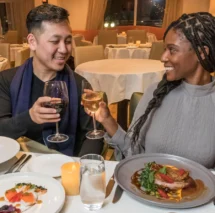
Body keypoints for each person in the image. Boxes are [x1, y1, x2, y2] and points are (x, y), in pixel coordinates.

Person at [92, 12, 215, 168]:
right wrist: (107, 120)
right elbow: (133, 151)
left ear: (202, 53)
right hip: (146, 191)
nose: (163, 57)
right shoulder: (155, 92)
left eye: (172, 50)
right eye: (165, 49)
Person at [0, 4, 104, 156]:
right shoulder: (7, 80)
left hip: (66, 166)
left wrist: (83, 169)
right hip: (20, 164)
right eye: (55, 41)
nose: (63, 49)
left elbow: (93, 135)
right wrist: (29, 117)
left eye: (68, 41)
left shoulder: (79, 84)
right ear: (32, 42)